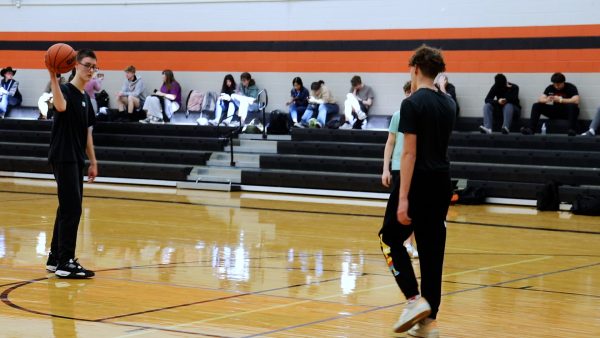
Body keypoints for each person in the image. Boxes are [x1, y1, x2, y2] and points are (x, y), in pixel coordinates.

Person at [379, 45, 455, 336]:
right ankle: (428, 323)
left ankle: (413, 300)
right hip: (441, 182)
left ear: (415, 69)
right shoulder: (448, 103)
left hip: (417, 182)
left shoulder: (411, 104)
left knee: (389, 239)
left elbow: (408, 154)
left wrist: (403, 198)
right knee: (432, 252)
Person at [46, 49, 99, 279]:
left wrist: (93, 162)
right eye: (87, 65)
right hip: (63, 155)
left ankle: (55, 257)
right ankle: (65, 262)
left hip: (76, 157)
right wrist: (53, 77)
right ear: (75, 65)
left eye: (94, 67)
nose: (91, 70)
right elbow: (59, 106)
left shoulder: (86, 99)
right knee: (72, 208)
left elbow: (88, 134)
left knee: (66, 207)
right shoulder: (65, 90)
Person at [381, 81, 418, 260]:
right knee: (402, 208)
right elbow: (390, 142)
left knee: (414, 208)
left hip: (416, 168)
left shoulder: (420, 115)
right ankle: (404, 243)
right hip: (398, 167)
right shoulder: (398, 115)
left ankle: (409, 243)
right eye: (408, 92)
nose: (411, 95)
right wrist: (385, 169)